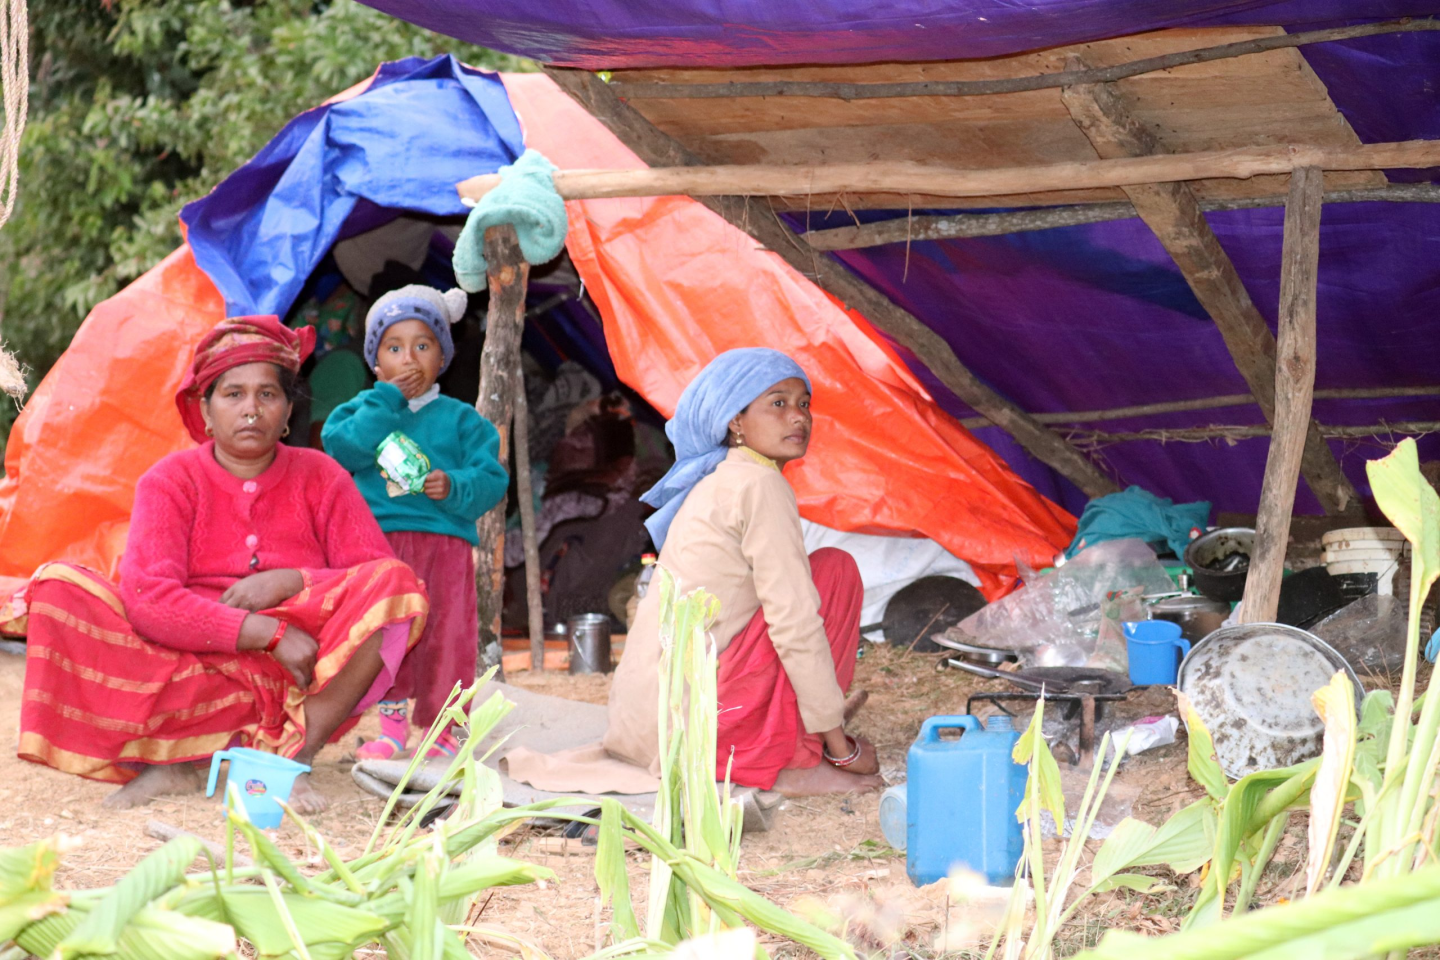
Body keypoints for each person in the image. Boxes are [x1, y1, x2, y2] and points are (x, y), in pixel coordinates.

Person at [17, 316, 429, 812]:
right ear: (205, 413)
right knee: (59, 586)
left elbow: (373, 574)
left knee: (397, 584)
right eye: (232, 395)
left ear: (286, 411)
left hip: (298, 672)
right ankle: (179, 766)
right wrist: (264, 633)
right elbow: (149, 599)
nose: (251, 410)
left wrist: (291, 581)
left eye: (267, 395)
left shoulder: (323, 476)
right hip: (193, 659)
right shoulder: (168, 480)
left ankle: (291, 756)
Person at [604, 348, 883, 795]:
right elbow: (793, 622)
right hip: (694, 732)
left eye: (804, 404)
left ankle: (783, 739)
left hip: (644, 726)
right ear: (736, 422)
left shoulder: (721, 480)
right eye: (778, 403)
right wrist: (839, 748)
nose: (798, 417)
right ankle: (791, 759)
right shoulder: (759, 484)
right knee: (834, 573)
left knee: (815, 577)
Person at [323, 285, 508, 760]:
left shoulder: (463, 420)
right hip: (377, 549)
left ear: (442, 358)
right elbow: (344, 449)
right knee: (388, 636)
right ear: (375, 362)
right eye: (394, 347)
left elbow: (492, 478)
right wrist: (384, 401)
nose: (409, 359)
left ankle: (443, 730)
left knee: (447, 636)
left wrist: (456, 486)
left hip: (443, 547)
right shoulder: (359, 411)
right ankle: (390, 730)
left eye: (422, 345)